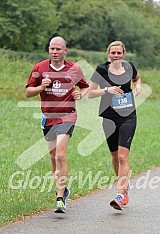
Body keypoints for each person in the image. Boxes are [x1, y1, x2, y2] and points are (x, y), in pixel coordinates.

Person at [26, 36, 89, 213]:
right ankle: (62, 188)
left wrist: (80, 94)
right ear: (49, 50)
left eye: (58, 49)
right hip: (48, 117)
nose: (54, 52)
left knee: (61, 156)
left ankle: (60, 198)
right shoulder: (40, 68)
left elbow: (85, 86)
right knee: (53, 158)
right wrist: (41, 87)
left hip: (67, 116)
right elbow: (28, 92)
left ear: (65, 51)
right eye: (52, 49)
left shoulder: (74, 69)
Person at [88, 41, 141, 210]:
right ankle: (123, 186)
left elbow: (137, 78)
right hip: (109, 118)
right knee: (114, 155)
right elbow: (90, 93)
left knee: (122, 157)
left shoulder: (129, 67)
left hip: (128, 116)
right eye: (113, 53)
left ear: (123, 54)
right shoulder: (101, 70)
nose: (116, 55)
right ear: (108, 54)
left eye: (119, 53)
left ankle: (120, 194)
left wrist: (137, 86)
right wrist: (107, 90)